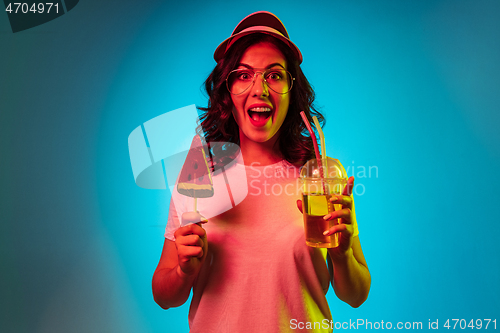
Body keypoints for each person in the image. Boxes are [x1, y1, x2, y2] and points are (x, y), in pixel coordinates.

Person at [152, 11, 371, 332]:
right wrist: (184, 272)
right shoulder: (199, 172)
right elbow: (164, 296)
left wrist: (341, 255)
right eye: (243, 75)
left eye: (274, 75)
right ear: (227, 90)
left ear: (291, 90)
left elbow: (356, 295)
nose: (260, 89)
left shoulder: (321, 177)